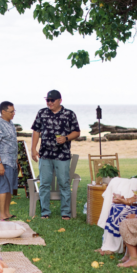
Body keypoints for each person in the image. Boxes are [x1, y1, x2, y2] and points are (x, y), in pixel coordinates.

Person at [95, 145, 137, 255]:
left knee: (121, 212)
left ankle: (115, 247)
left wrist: (134, 213)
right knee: (115, 207)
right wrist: (124, 200)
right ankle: (108, 245)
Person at [30, 90, 81, 220]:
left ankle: (65, 212)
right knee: (44, 184)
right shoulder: (42, 113)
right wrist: (33, 149)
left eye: (52, 100)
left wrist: (66, 138)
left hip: (62, 155)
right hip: (45, 155)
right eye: (48, 100)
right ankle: (45, 212)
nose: (49, 102)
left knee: (64, 183)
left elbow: (77, 132)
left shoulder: (69, 114)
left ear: (60, 100)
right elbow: (36, 131)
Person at [0, 101, 18, 221]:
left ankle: (7, 212)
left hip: (12, 161)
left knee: (9, 188)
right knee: (3, 187)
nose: (13, 114)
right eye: (11, 112)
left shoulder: (11, 124)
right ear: (3, 112)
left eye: (14, 111)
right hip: (3, 161)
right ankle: (1, 214)